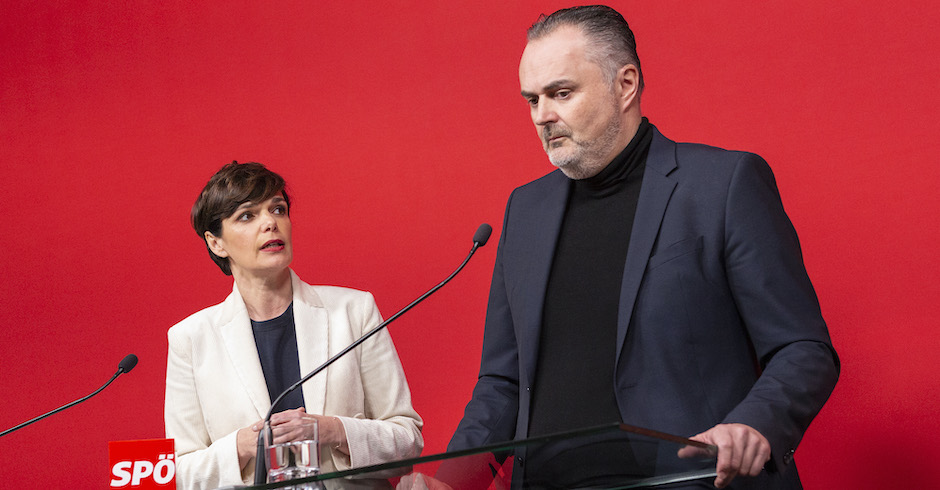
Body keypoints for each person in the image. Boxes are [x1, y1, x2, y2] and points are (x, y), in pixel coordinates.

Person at [448, 6, 839, 489]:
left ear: (626, 84)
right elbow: (502, 383)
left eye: (561, 93)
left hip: (689, 481)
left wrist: (753, 424)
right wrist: (452, 480)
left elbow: (804, 349)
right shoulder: (524, 210)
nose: (543, 116)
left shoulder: (723, 185)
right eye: (532, 100)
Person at [165, 162, 423, 489]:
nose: (270, 223)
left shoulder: (354, 312)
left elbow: (407, 437)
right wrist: (241, 448)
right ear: (216, 243)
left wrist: (333, 430)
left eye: (278, 209)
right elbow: (178, 471)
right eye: (248, 216)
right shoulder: (191, 338)